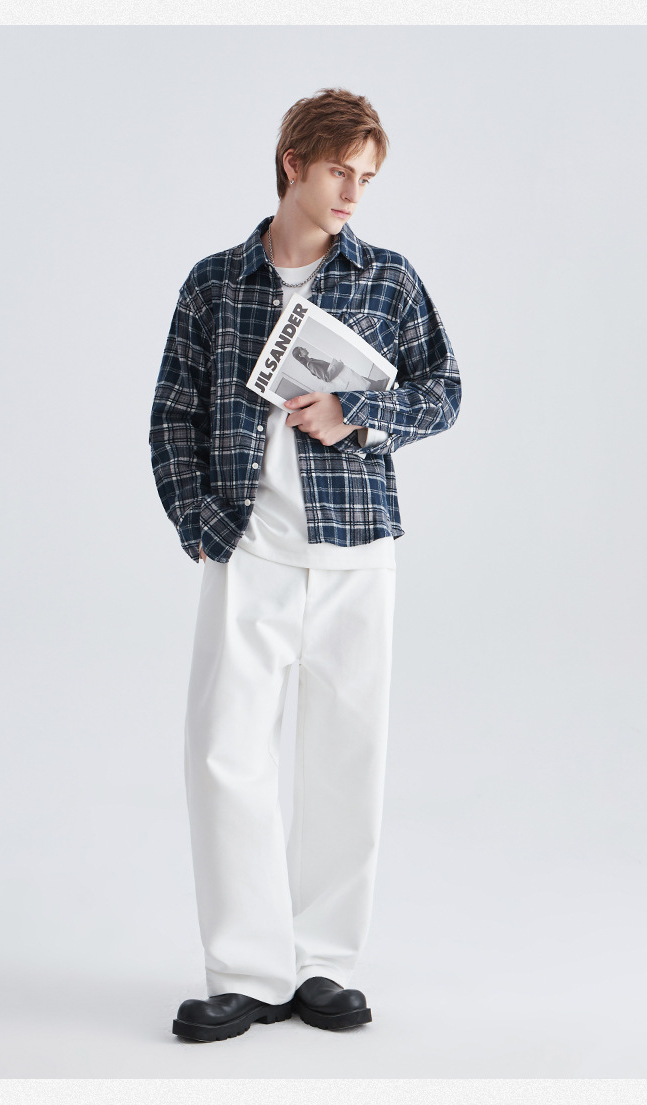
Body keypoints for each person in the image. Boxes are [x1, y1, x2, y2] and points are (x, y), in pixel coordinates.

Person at [149, 87, 461, 1044]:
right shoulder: (214, 283)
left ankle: (324, 964)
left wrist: (356, 414)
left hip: (357, 550)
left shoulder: (389, 279)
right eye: (338, 171)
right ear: (293, 163)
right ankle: (244, 971)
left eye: (366, 177)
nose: (353, 193)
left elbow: (445, 390)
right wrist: (202, 523)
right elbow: (171, 416)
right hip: (248, 550)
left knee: (345, 757)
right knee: (225, 757)